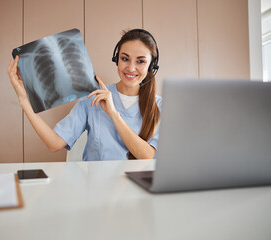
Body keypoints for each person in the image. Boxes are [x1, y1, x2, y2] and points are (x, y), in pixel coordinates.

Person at [8, 29, 161, 161]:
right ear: (116, 59)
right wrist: (24, 100)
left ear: (151, 66)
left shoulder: (161, 106)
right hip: (96, 189)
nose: (131, 67)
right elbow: (54, 144)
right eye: (125, 58)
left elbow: (147, 156)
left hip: (139, 190)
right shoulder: (93, 97)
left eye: (140, 61)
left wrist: (114, 114)